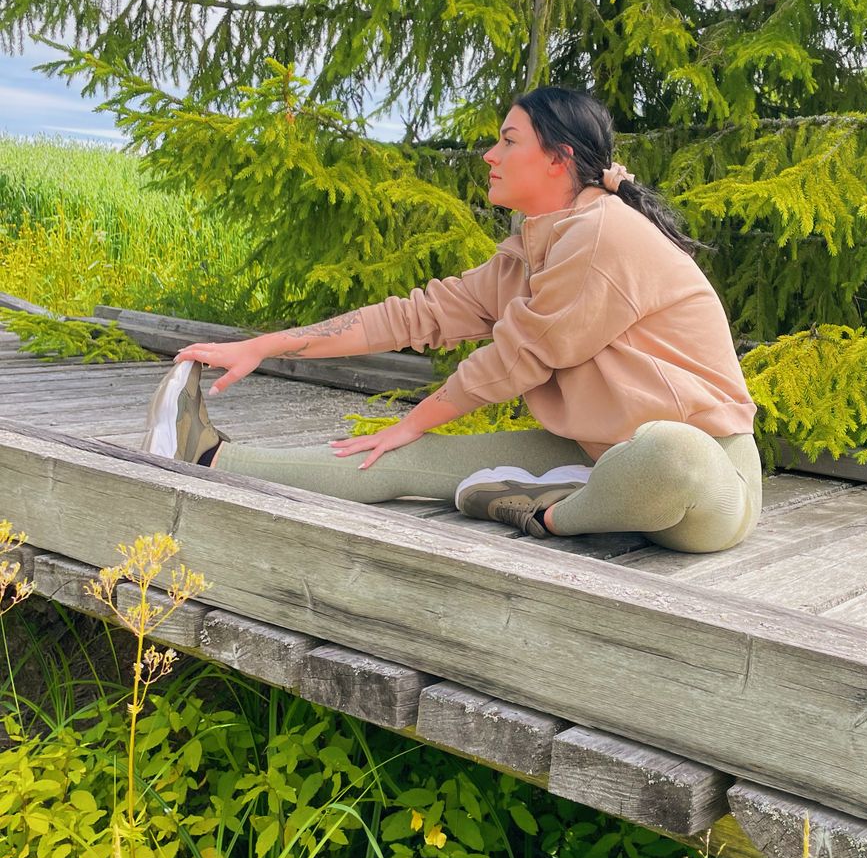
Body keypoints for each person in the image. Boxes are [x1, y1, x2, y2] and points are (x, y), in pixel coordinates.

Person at [142, 86, 762, 552]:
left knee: (669, 453)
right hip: (593, 456)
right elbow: (420, 315)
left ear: (558, 158)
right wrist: (266, 345)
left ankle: (547, 515)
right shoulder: (527, 252)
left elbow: (520, 356)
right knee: (393, 461)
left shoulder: (603, 236)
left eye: (509, 140)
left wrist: (414, 419)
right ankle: (204, 456)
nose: (490, 154)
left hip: (707, 483)